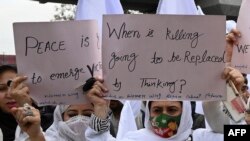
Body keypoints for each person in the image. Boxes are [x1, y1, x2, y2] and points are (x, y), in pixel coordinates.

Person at [0, 65, 54, 141]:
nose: (11, 94)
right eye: (1, 89)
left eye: (18, 87)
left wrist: (36, 135)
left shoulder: (53, 122)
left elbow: (29, 116)